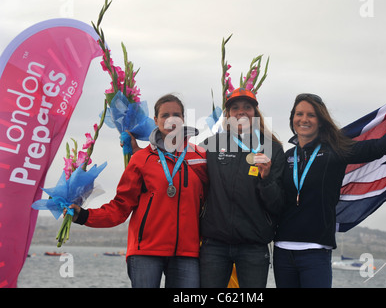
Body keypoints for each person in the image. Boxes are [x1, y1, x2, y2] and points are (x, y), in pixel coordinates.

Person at [273, 92, 386, 288]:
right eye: (299, 114)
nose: (304, 119)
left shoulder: (335, 150)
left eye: (311, 115)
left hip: (315, 252)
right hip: (282, 251)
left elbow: (380, 147)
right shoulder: (287, 156)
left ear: (321, 121)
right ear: (292, 118)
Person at [68, 93, 208, 288]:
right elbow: (120, 207)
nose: (171, 119)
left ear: (183, 119)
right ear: (155, 120)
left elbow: (218, 197)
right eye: (165, 115)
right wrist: (84, 216)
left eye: (176, 114)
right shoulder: (141, 159)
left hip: (187, 253)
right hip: (146, 252)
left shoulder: (201, 157)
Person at [199, 88, 285, 288]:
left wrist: (266, 179)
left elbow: (278, 204)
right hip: (214, 245)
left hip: (254, 246)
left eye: (247, 107)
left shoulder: (272, 148)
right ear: (228, 115)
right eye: (235, 108)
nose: (241, 112)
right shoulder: (211, 145)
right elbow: (184, 168)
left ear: (255, 113)